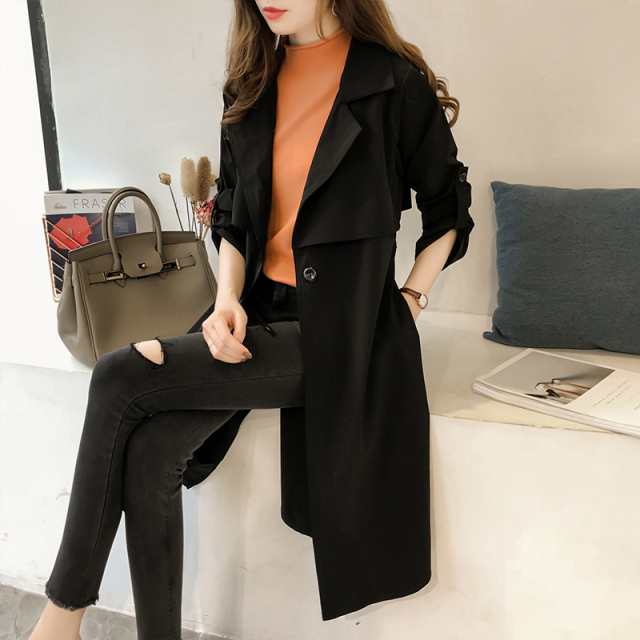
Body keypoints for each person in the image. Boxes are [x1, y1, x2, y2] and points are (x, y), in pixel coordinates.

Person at [30, 1, 475, 638]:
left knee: (119, 375)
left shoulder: (392, 83)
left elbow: (448, 208)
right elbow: (233, 215)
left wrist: (410, 299)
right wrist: (228, 298)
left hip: (344, 331)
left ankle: (59, 619)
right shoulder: (252, 83)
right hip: (259, 312)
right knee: (152, 451)